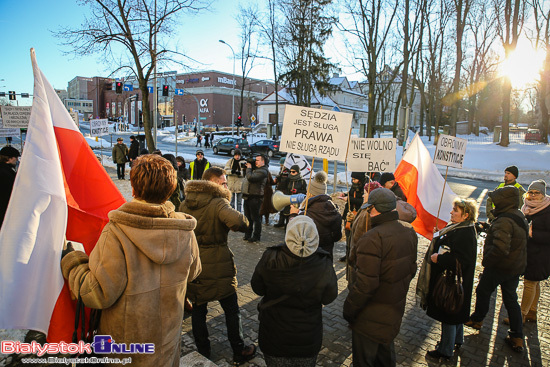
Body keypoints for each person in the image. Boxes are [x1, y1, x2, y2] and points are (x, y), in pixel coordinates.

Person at [61, 154, 202, 366]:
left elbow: (96, 293)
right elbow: (194, 272)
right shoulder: (184, 229)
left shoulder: (117, 232)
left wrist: (73, 261)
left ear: (134, 188)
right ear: (171, 189)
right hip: (166, 340)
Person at [178, 167, 256, 365]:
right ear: (212, 183)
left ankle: (203, 351)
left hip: (194, 264)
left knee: (198, 310)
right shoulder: (218, 202)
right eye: (222, 183)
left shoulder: (184, 203)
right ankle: (239, 351)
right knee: (231, 310)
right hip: (219, 264)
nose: (226, 186)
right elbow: (240, 221)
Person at [343, 187, 418, 366]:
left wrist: (349, 309)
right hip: (392, 310)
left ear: (375, 209)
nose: (368, 211)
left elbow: (365, 285)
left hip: (369, 317)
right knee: (384, 359)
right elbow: (411, 269)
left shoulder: (372, 238)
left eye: (369, 208)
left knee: (365, 361)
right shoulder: (408, 230)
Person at [251, 216, 338, 367]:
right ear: (314, 237)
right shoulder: (324, 262)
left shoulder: (271, 256)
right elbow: (329, 297)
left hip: (274, 335)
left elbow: (257, 288)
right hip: (307, 338)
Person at [465, 186, 528, 353]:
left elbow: (500, 247)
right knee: (511, 300)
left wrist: (487, 261)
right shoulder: (517, 215)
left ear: (503, 202)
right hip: (515, 266)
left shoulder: (504, 221)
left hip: (500, 266)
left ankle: (477, 319)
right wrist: (488, 228)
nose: (493, 204)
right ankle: (517, 335)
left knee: (483, 290)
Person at [419, 199, 478, 361]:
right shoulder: (459, 227)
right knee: (457, 311)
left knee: (449, 315)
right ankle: (457, 340)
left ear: (466, 215)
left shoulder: (464, 233)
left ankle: (445, 350)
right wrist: (440, 235)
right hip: (457, 282)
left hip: (452, 282)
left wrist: (440, 259)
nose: (451, 212)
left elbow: (461, 260)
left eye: (455, 211)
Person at [508, 180, 550, 325]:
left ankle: (521, 316)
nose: (532, 196)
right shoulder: (526, 207)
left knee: (529, 283)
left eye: (536, 193)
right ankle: (532, 311)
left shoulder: (547, 209)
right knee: (535, 283)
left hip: (541, 254)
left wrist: (533, 234)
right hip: (528, 251)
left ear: (543, 194)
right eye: (530, 192)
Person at [291, 171, 342, 258]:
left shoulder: (306, 214)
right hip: (326, 259)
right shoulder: (334, 211)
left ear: (310, 194)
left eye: (307, 192)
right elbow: (337, 237)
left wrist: (293, 215)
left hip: (310, 259)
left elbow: (295, 237)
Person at [340, 172, 368, 262]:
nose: (353, 181)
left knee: (356, 236)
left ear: (360, 180)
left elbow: (362, 201)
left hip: (358, 215)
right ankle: (348, 254)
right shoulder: (354, 186)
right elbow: (351, 194)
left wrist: (349, 199)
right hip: (349, 213)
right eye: (352, 179)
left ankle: (354, 255)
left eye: (355, 179)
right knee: (348, 235)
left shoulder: (365, 188)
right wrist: (344, 195)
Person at [242, 154, 269, 242]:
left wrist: (249, 168)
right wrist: (247, 168)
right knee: (248, 217)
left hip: (255, 197)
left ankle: (256, 236)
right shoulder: (256, 169)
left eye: (257, 160)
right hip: (248, 196)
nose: (255, 162)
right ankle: (248, 234)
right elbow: (245, 176)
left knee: (255, 218)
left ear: (263, 162)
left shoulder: (263, 171)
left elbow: (251, 178)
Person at [0, 146, 20, 229]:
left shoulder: (5, 169)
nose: (17, 160)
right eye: (16, 158)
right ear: (10, 158)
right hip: (5, 208)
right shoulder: (7, 172)